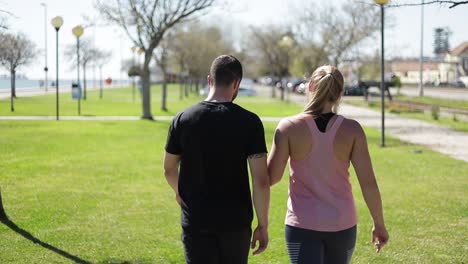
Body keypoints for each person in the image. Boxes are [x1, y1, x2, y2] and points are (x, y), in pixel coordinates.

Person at [267, 65, 389, 264]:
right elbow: (369, 183)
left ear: (311, 86)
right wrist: (379, 224)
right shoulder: (353, 130)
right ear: (340, 94)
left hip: (302, 226)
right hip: (343, 225)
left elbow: (271, 178)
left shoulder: (288, 127)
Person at [164, 55, 270, 264]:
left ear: (209, 80)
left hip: (196, 219)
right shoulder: (250, 122)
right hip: (236, 223)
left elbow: (168, 169)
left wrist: (179, 192)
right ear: (237, 83)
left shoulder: (182, 119)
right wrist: (262, 224)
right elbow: (261, 181)